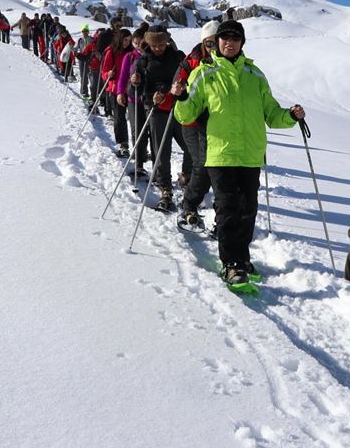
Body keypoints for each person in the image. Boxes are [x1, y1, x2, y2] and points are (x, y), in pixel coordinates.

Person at [172, 20, 305, 285]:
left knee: (248, 211)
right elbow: (186, 114)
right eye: (224, 38)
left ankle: (242, 258)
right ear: (217, 41)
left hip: (251, 154)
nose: (229, 43)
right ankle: (231, 264)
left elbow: (271, 113)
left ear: (242, 43)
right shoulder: (204, 73)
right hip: (220, 153)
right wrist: (182, 98)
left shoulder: (255, 75)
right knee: (228, 210)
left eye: (235, 38)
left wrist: (290, 116)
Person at [131, 26, 191, 211]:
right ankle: (164, 186)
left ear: (166, 41)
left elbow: (188, 79)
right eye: (154, 44)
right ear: (148, 43)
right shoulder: (142, 61)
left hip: (179, 107)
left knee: (190, 145)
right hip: (156, 109)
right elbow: (136, 90)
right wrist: (136, 84)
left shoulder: (178, 57)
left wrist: (181, 88)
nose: (158, 48)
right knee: (161, 150)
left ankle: (186, 176)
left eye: (161, 43)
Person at [173, 20, 219, 227]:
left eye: (216, 42)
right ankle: (189, 203)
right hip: (191, 122)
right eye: (209, 43)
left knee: (215, 167)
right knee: (201, 164)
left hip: (218, 124)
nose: (213, 48)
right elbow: (176, 86)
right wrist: (179, 90)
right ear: (203, 43)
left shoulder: (224, 62)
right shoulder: (190, 62)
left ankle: (218, 211)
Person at [118, 29, 148, 174]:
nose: (137, 46)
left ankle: (143, 157)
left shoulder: (150, 56)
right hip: (133, 98)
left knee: (146, 131)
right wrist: (120, 92)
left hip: (148, 99)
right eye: (135, 43)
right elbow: (123, 76)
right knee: (137, 129)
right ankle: (138, 162)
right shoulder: (129, 57)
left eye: (140, 43)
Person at [101, 28, 133, 157]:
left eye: (129, 41)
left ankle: (139, 146)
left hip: (130, 89)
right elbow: (104, 72)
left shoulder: (131, 52)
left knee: (132, 118)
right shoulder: (111, 52)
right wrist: (109, 73)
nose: (127, 43)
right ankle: (123, 143)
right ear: (120, 38)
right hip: (115, 89)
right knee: (119, 118)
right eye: (125, 40)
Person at [75, 24, 92, 99]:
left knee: (91, 75)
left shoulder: (92, 39)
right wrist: (74, 52)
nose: (85, 33)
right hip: (82, 59)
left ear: (88, 32)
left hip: (90, 59)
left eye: (86, 31)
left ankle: (93, 92)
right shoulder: (80, 40)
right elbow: (75, 48)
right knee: (83, 75)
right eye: (83, 31)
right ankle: (84, 91)